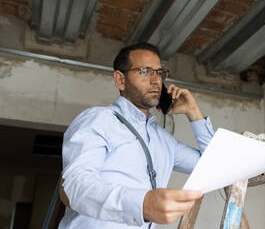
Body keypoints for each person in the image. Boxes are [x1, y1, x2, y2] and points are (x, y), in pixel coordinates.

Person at [58, 42, 215, 228]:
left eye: (159, 72)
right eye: (144, 71)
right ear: (120, 80)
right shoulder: (98, 120)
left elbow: (212, 167)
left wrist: (194, 112)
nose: (156, 80)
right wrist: (142, 204)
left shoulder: (163, 139)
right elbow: (73, 188)